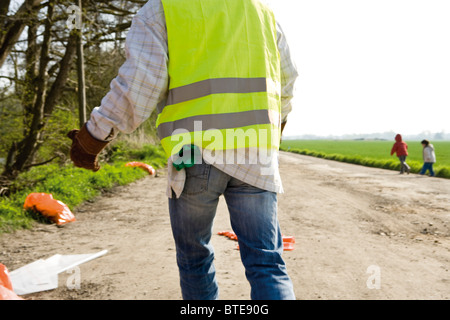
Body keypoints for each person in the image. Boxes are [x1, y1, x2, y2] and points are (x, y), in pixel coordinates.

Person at [67, 0, 298, 300]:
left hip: (194, 152)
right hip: (256, 154)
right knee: (266, 263)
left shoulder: (163, 8)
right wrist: (275, 128)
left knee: (195, 260)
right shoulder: (261, 12)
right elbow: (286, 80)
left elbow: (140, 84)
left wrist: (96, 134)